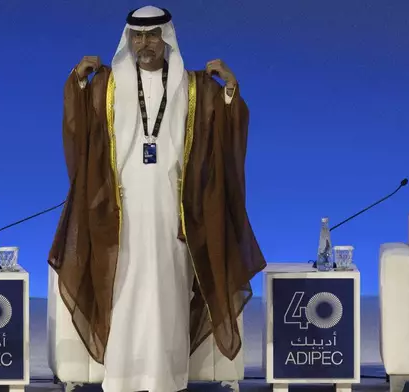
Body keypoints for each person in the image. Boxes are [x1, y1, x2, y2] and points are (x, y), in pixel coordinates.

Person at [48, 5, 266, 392]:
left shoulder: (193, 85)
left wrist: (230, 91)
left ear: (166, 38)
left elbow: (224, 129)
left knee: (168, 287)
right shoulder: (109, 84)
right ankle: (123, 376)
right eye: (137, 36)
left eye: (152, 36)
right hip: (121, 207)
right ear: (129, 39)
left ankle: (167, 377)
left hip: (174, 205)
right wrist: (77, 84)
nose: (144, 44)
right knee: (125, 285)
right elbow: (79, 130)